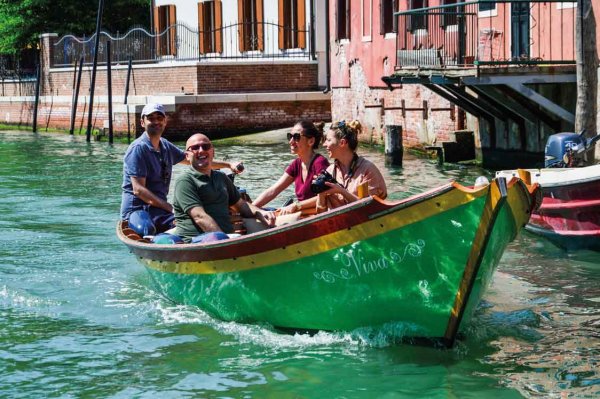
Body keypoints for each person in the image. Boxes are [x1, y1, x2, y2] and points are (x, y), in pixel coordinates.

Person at [120, 102, 242, 233]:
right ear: (142, 123)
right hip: (138, 210)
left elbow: (193, 159)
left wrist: (228, 165)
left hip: (159, 209)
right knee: (164, 227)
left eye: (159, 118)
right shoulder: (138, 149)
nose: (156, 122)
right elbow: (139, 190)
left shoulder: (165, 146)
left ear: (165, 121)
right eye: (151, 118)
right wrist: (170, 208)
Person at [172, 133, 275, 242]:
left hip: (225, 238)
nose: (201, 150)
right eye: (195, 148)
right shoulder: (185, 181)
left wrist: (261, 213)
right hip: (196, 242)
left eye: (206, 147)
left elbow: (241, 205)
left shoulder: (221, 177)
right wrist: (224, 239)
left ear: (213, 152)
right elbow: (200, 217)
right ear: (187, 155)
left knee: (273, 217)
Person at [252, 120, 329, 215]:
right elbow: (274, 190)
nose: (291, 141)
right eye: (290, 136)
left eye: (296, 137)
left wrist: (296, 206)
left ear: (311, 141)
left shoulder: (320, 163)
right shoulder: (296, 164)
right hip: (299, 214)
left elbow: (327, 196)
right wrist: (251, 208)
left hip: (313, 215)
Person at [316, 120, 387, 211]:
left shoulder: (367, 170)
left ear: (342, 143)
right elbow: (320, 213)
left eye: (328, 140)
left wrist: (341, 191)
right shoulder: (330, 171)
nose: (324, 144)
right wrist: (321, 194)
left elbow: (369, 208)